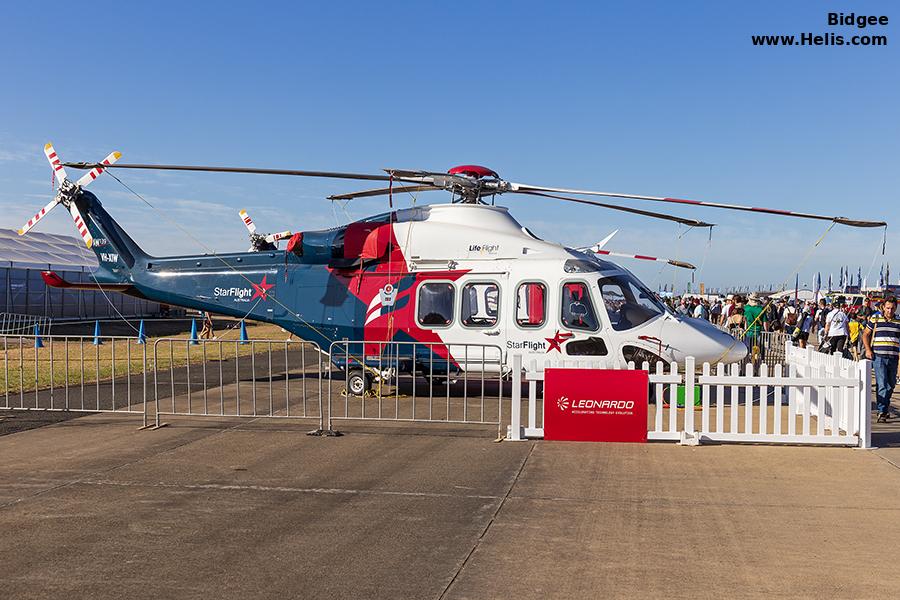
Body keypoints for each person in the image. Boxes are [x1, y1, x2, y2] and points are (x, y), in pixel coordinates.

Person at [862, 296, 900, 422]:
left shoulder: (898, 321)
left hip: (893, 357)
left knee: (891, 385)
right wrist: (868, 349)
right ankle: (882, 411)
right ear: (883, 307)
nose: (890, 311)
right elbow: (866, 334)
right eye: (888, 308)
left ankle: (884, 406)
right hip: (878, 356)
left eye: (892, 308)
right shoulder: (875, 318)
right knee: (882, 384)